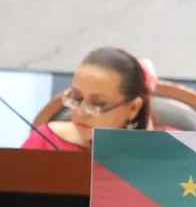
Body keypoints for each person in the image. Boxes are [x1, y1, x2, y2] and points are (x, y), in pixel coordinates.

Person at [22, 48, 156, 151]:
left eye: (98, 104)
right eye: (76, 98)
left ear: (133, 108)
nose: (80, 113)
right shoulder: (43, 141)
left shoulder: (166, 149)